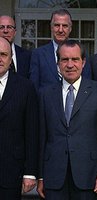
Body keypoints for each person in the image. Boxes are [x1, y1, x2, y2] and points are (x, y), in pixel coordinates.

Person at [37, 40, 97, 200]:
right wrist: (41, 176)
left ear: (83, 62)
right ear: (58, 63)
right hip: (54, 176)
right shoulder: (45, 94)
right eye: (65, 60)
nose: (70, 64)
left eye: (75, 59)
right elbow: (41, 137)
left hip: (89, 175)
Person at [0, 37, 38, 199]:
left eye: (3, 54)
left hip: (11, 171)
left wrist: (30, 172)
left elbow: (31, 132)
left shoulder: (25, 87)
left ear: (10, 59)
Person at [29, 9, 91, 91]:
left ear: (70, 29)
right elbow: (34, 87)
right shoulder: (38, 54)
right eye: (57, 25)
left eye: (65, 26)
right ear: (51, 28)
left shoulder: (81, 52)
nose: (60, 30)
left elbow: (86, 83)